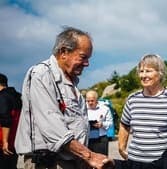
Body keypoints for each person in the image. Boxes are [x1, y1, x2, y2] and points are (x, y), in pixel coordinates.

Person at [14, 27, 104, 169]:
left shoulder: (71, 83)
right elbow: (53, 127)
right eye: (83, 57)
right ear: (63, 52)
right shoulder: (41, 74)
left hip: (71, 161)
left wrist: (83, 159)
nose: (87, 63)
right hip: (47, 163)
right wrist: (89, 156)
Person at [118, 54, 167, 166]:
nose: (143, 75)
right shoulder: (133, 98)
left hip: (163, 163)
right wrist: (121, 148)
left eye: (148, 71)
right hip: (135, 162)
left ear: (160, 73)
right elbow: (124, 124)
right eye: (141, 71)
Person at [0, 73, 22, 169]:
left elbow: (6, 119)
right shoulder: (18, 96)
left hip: (4, 144)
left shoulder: (2, 96)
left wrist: (5, 141)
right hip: (16, 143)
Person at [86, 90, 113, 155]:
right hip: (87, 139)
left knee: (102, 161)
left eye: (92, 101)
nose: (90, 103)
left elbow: (110, 123)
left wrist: (102, 124)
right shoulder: (83, 109)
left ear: (96, 100)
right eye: (88, 101)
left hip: (101, 139)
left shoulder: (105, 109)